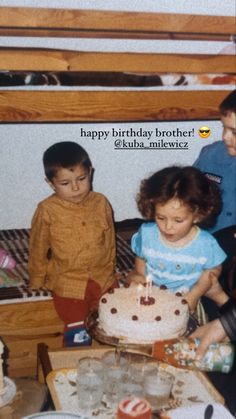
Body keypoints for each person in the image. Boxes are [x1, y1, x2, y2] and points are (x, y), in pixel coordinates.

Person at [28, 141, 116, 343]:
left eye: (82, 179)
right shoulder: (47, 209)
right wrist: (37, 278)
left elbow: (110, 240)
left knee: (113, 323)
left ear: (90, 173)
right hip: (69, 282)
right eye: (65, 184)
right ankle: (75, 365)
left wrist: (111, 270)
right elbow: (38, 246)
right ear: (50, 183)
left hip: (103, 278)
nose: (76, 188)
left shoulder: (101, 202)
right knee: (77, 331)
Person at [129, 166, 227, 313]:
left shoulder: (206, 244)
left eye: (178, 220)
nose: (168, 227)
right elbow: (141, 256)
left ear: (198, 215)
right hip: (151, 296)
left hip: (186, 299)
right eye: (160, 218)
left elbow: (213, 271)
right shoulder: (147, 233)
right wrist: (138, 274)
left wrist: (194, 295)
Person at [193, 89, 236, 233]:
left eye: (234, 132)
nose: (225, 136)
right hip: (208, 239)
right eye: (224, 127)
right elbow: (188, 192)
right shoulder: (210, 155)